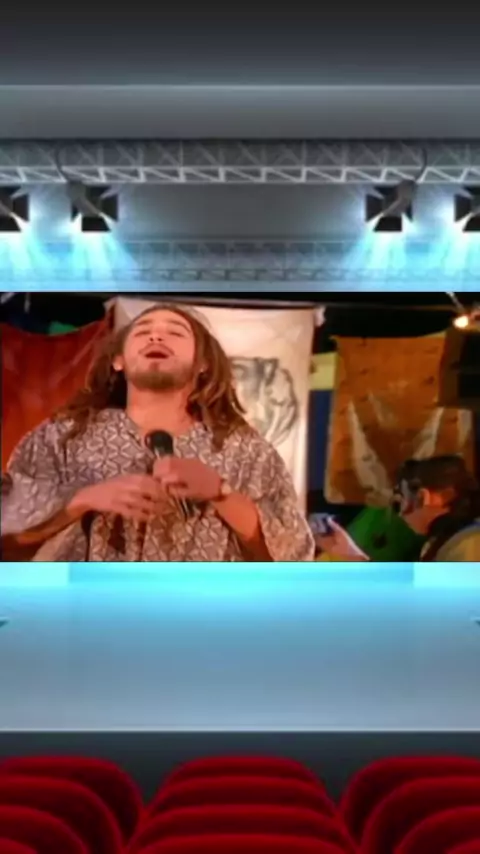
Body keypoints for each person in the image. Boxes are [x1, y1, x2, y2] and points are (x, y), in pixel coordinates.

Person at [1, 305, 314, 562]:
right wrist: (81, 499)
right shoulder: (62, 438)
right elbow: (9, 536)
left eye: (175, 332)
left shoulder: (246, 451)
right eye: (142, 331)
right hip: (88, 610)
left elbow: (293, 552)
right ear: (118, 361)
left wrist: (221, 492)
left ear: (203, 363)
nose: (156, 336)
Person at [315, 455, 480, 562]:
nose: (400, 515)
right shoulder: (447, 541)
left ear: (422, 497)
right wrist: (352, 555)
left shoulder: (467, 545)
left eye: (398, 503)